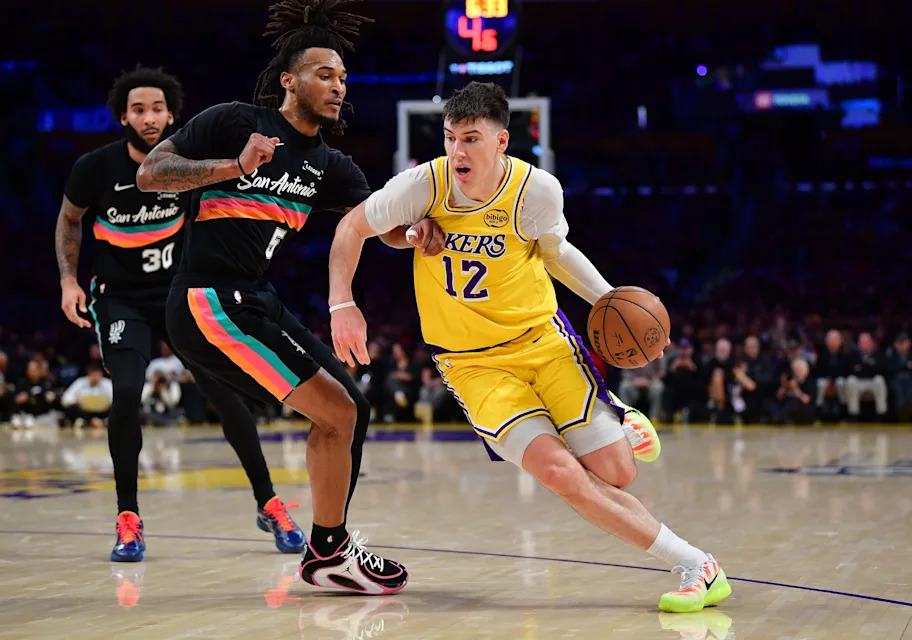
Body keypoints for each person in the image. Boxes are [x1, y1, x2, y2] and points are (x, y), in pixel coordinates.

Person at [327, 81, 730, 613]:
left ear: (502, 142)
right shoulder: (424, 185)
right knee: (562, 474)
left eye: (471, 138)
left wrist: (610, 299)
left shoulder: (537, 190)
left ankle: (620, 420)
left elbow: (557, 255)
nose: (457, 151)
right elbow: (355, 227)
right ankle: (696, 565)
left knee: (617, 473)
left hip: (543, 342)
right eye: (450, 138)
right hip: (473, 366)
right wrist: (343, 303)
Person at [138, 0, 408, 594]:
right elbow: (151, 174)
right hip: (208, 299)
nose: (338, 86)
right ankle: (330, 552)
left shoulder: (329, 164)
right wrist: (231, 167)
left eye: (342, 77)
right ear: (289, 79)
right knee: (335, 412)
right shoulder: (236, 121)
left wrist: (418, 231)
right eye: (324, 74)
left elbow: (378, 225)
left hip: (255, 297)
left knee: (352, 409)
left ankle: (330, 546)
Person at [55, 66, 304, 562]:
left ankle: (269, 502)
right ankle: (129, 517)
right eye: (138, 109)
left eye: (157, 108)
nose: (149, 117)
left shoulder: (188, 163)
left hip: (182, 291)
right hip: (122, 297)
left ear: (171, 114)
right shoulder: (94, 168)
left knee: (226, 395)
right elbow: (69, 219)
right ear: (123, 116)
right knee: (126, 392)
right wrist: (67, 280)